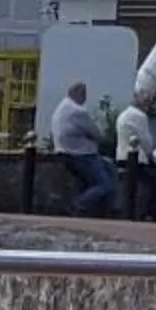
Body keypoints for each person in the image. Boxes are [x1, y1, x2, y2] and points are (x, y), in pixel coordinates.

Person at [50, 78, 117, 216]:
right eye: (84, 95)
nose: (85, 98)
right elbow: (97, 134)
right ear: (79, 94)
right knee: (105, 183)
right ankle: (80, 204)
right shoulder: (78, 111)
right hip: (81, 154)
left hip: (64, 152)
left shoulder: (61, 107)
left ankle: (101, 208)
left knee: (106, 168)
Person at [115, 96, 156, 223]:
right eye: (148, 101)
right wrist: (153, 155)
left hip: (122, 157)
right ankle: (150, 213)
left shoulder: (123, 114)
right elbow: (146, 141)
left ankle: (135, 212)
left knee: (136, 185)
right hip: (137, 159)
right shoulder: (140, 116)